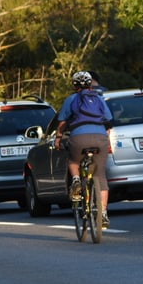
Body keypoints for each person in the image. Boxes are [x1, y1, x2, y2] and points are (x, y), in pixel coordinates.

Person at [54, 71, 113, 228]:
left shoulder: (71, 99)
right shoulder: (99, 98)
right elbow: (109, 120)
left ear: (74, 85)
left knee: (73, 161)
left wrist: (58, 138)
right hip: (100, 138)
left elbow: (62, 123)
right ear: (90, 84)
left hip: (78, 138)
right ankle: (103, 213)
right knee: (100, 176)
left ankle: (76, 180)